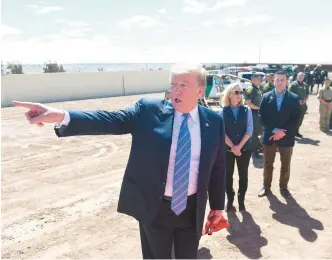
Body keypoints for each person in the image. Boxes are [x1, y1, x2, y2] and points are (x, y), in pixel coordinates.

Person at [12, 62, 226, 259]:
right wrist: (61, 115)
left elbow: (217, 167)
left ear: (200, 90)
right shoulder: (149, 110)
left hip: (191, 211)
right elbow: (110, 120)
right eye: (173, 83)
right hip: (156, 209)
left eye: (183, 85)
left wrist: (217, 206)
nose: (176, 89)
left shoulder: (214, 121)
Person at [257, 70, 301, 199]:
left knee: (285, 164)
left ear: (287, 81)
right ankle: (266, 186)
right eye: (277, 79)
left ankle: (283, 187)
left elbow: (296, 118)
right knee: (267, 163)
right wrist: (274, 130)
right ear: (273, 81)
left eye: (282, 79)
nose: (280, 82)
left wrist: (282, 132)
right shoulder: (266, 96)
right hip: (270, 135)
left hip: (286, 137)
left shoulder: (293, 98)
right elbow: (261, 116)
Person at [219, 84, 253, 212]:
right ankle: (230, 199)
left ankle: (241, 200)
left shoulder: (247, 110)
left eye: (241, 92)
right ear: (229, 94)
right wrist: (233, 147)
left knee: (243, 175)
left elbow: (249, 130)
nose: (239, 94)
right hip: (227, 150)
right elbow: (222, 132)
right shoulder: (223, 111)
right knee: (228, 176)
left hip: (244, 149)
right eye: (236, 92)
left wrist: (239, 147)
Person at [244, 73, 263, 156]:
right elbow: (248, 103)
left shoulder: (256, 89)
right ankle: (253, 151)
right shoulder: (250, 89)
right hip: (252, 114)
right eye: (258, 79)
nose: (260, 81)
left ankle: (256, 147)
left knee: (257, 132)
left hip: (257, 113)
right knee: (254, 133)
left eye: (260, 79)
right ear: (253, 80)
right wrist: (259, 108)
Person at [289, 72, 309, 138]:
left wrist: (305, 100)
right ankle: (291, 132)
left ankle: (296, 131)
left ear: (304, 77)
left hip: (303, 105)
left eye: (302, 76)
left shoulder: (305, 85)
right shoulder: (293, 84)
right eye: (299, 76)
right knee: (294, 119)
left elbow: (307, 94)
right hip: (295, 105)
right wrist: (297, 101)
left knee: (300, 119)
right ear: (297, 76)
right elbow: (289, 94)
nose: (301, 77)